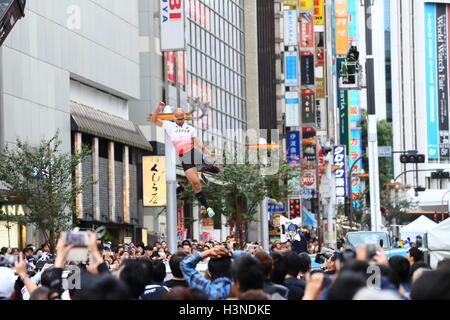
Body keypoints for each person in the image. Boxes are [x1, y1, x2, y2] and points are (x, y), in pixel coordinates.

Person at [149, 101, 220, 218]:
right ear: (174, 118)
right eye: (178, 119)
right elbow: (153, 120)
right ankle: (208, 208)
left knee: (207, 166)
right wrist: (158, 108)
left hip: (192, 152)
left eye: (182, 118)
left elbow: (197, 141)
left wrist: (208, 152)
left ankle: (212, 169)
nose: (180, 121)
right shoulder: (169, 126)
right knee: (196, 183)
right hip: (184, 157)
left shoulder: (190, 128)